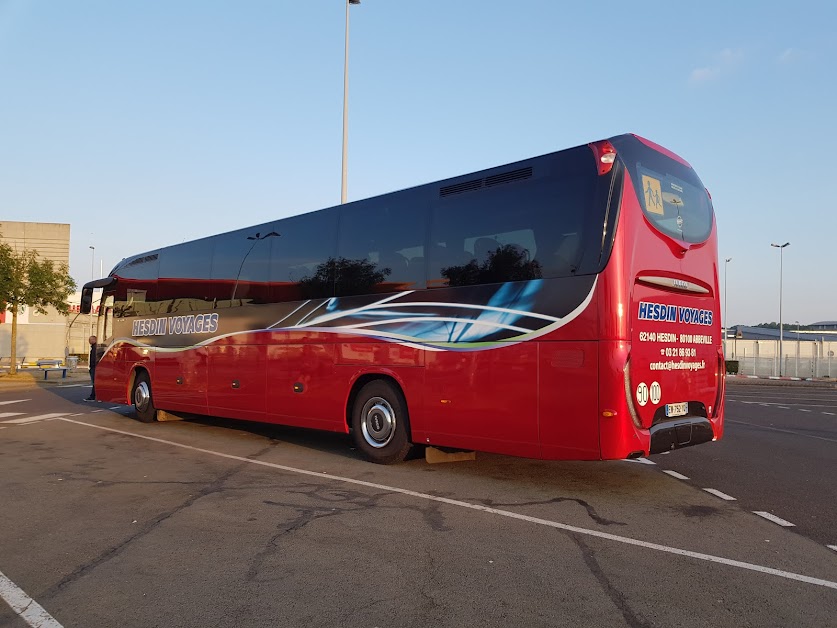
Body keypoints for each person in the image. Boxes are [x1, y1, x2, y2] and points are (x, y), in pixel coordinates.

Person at [84, 335, 98, 401]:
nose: (89, 341)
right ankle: (95, 395)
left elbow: (94, 359)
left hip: (94, 368)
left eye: (91, 339)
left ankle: (93, 396)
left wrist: (92, 366)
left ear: (95, 340)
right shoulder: (94, 348)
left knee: (94, 382)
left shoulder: (95, 348)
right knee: (95, 382)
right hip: (93, 367)